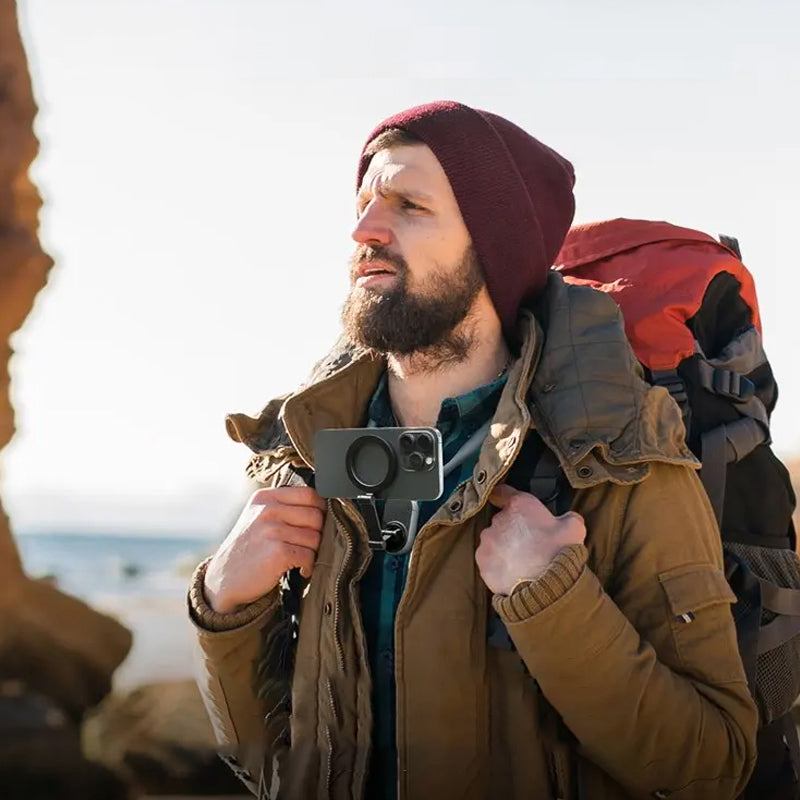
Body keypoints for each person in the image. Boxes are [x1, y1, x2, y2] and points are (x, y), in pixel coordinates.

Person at [189, 101, 758, 800]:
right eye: (365, 202)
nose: (363, 229)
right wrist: (225, 608)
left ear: (492, 243)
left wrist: (553, 603)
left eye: (408, 206)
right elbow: (274, 770)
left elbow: (714, 767)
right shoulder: (305, 456)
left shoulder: (616, 456)